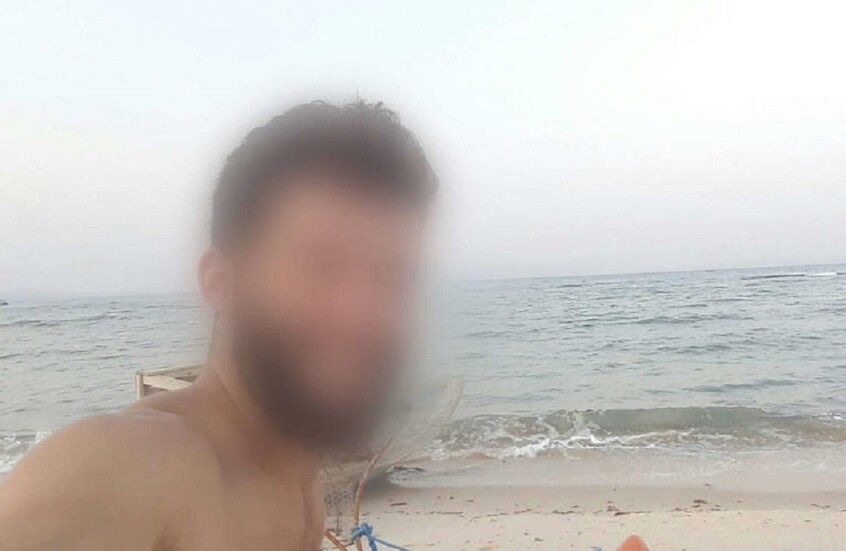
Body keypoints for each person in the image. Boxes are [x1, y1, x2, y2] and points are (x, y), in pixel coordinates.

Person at [0, 101, 436, 551]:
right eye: (321, 266)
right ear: (223, 283)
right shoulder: (127, 466)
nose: (362, 312)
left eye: (393, 276)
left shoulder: (299, 477)